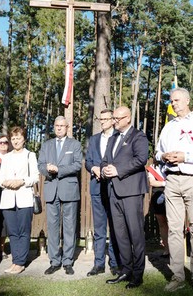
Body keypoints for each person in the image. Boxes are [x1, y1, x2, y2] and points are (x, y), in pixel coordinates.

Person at [155, 87, 193, 293]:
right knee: (174, 229)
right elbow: (157, 151)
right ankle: (177, 275)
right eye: (171, 101)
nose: (173, 103)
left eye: (177, 100)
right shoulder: (168, 127)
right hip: (172, 180)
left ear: (188, 101)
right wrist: (163, 157)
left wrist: (185, 156)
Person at [102, 106, 149, 289]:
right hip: (113, 190)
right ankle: (126, 270)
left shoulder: (138, 136)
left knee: (135, 234)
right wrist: (105, 168)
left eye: (117, 118)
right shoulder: (113, 137)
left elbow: (141, 159)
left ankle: (138, 274)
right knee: (120, 234)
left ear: (128, 118)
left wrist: (118, 170)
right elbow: (106, 159)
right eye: (113, 118)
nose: (114, 121)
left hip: (131, 192)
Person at [38, 116, 83, 275]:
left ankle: (68, 261)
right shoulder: (47, 145)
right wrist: (47, 168)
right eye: (56, 125)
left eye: (62, 126)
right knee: (52, 227)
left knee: (70, 227)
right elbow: (40, 165)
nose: (58, 128)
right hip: (51, 189)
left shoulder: (75, 144)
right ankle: (54, 261)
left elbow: (77, 165)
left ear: (67, 127)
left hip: (69, 189)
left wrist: (59, 170)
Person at [0, 126, 39, 275]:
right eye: (13, 138)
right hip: (8, 198)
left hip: (24, 198)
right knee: (13, 232)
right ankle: (15, 261)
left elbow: (35, 176)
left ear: (24, 139)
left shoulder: (30, 155)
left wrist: (21, 181)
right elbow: (0, 179)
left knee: (23, 231)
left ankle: (21, 262)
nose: (15, 141)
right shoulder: (6, 157)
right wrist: (6, 182)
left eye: (18, 138)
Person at [84, 109, 120, 276]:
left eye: (106, 119)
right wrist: (94, 168)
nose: (103, 122)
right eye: (101, 119)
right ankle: (98, 264)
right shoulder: (94, 139)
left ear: (113, 120)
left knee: (114, 226)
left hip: (114, 188)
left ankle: (114, 262)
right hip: (97, 187)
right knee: (99, 228)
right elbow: (88, 161)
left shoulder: (119, 137)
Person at [147, 160, 169, 257]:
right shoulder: (153, 167)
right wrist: (165, 183)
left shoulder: (171, 165)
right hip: (158, 195)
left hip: (172, 194)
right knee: (162, 224)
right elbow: (152, 182)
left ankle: (175, 250)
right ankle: (167, 249)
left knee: (173, 223)